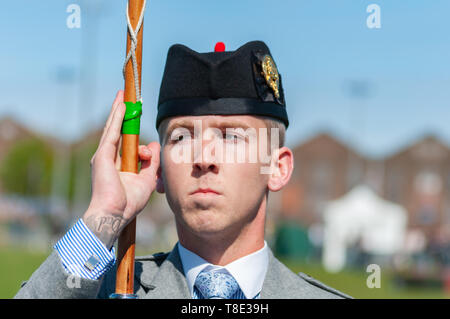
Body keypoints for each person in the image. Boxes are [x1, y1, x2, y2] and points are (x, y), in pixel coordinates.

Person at [15, 41, 351, 299]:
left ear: (277, 167)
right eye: (181, 137)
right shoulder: (106, 288)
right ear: (158, 170)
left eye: (231, 136)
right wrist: (103, 217)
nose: (204, 158)